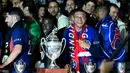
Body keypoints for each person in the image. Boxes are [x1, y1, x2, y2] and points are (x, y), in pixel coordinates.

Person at [95, 4, 126, 72]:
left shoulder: (108, 25)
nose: (116, 15)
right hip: (112, 61)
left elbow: (109, 43)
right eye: (113, 12)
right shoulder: (107, 24)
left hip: (110, 62)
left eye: (117, 13)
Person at [0, 7, 30, 73]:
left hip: (19, 69)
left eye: (7, 17)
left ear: (14, 18)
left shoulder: (17, 31)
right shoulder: (21, 30)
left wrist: (4, 64)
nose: (5, 20)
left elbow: (17, 49)